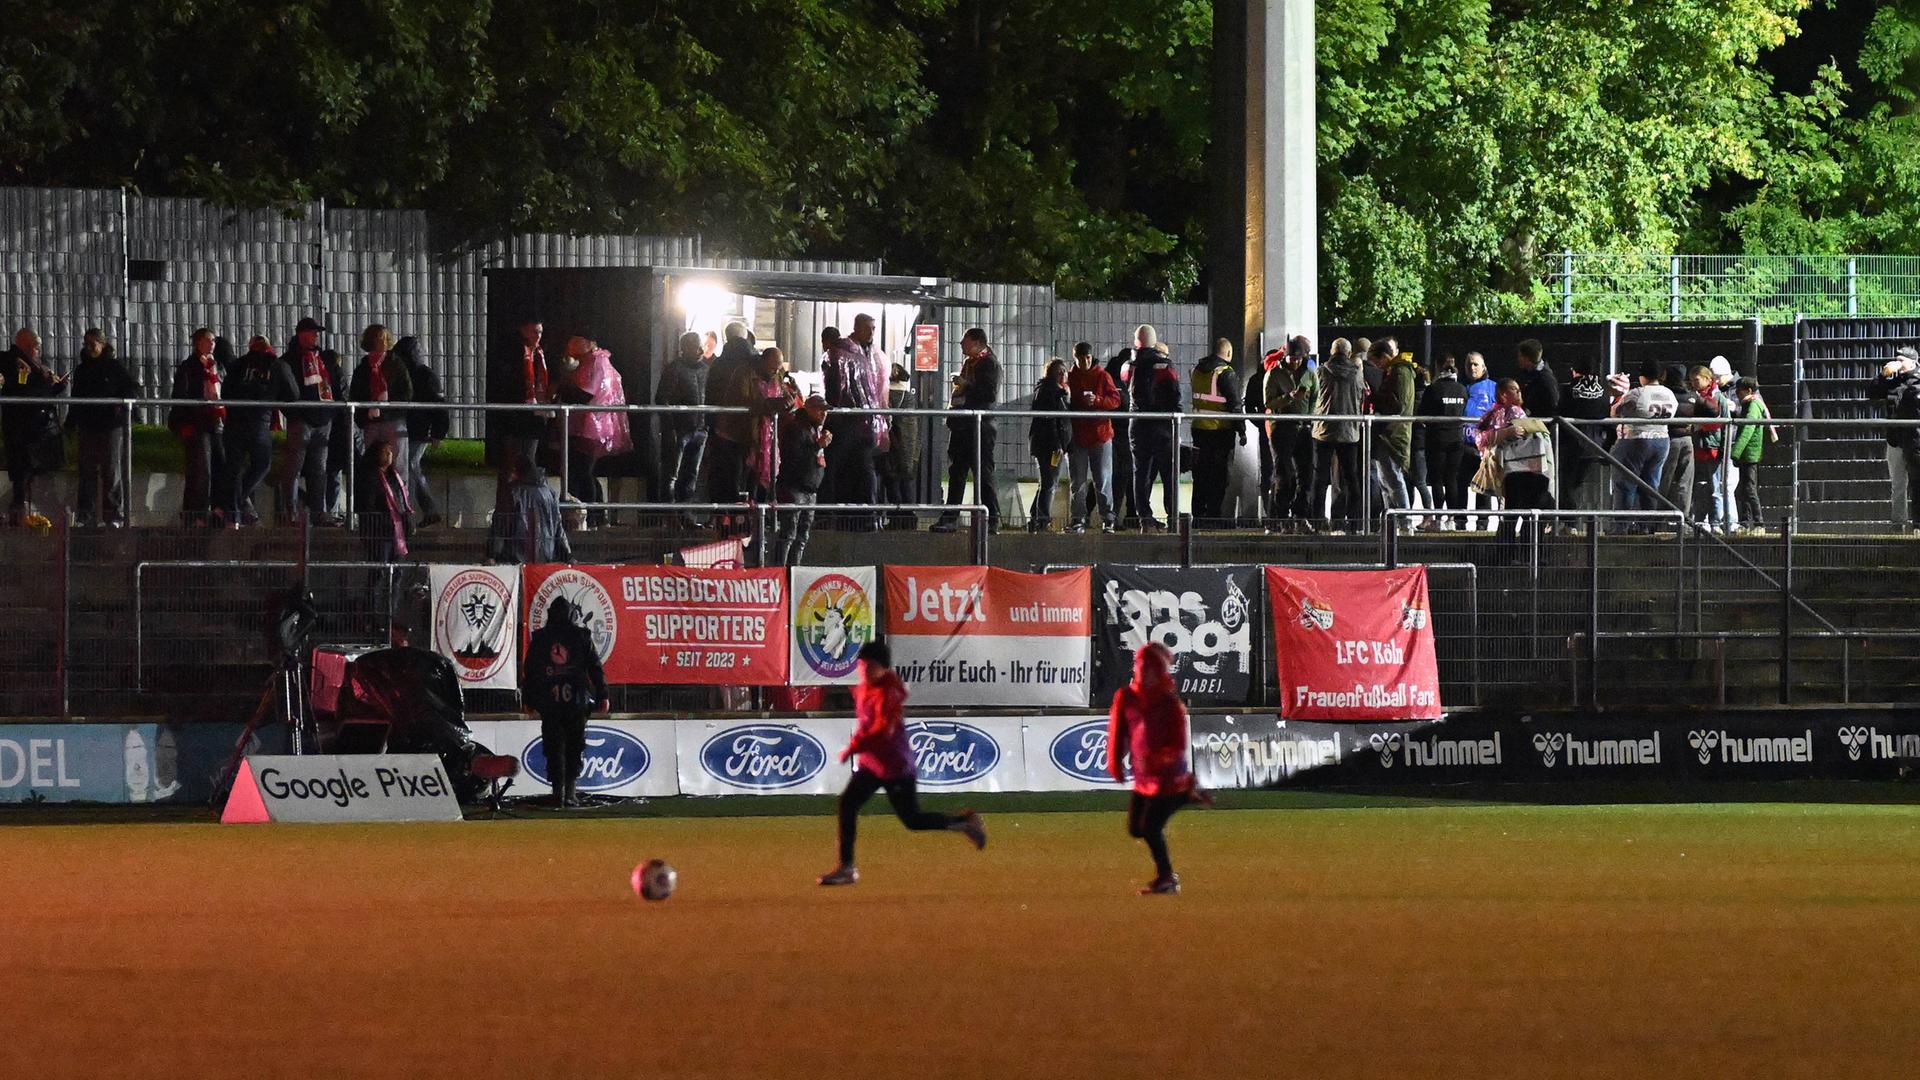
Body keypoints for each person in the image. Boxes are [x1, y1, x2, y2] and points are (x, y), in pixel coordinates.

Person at [818, 641, 986, 886]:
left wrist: (853, 748)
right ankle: (846, 868)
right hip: (872, 764)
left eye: (870, 666)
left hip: (895, 767)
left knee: (912, 820)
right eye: (862, 665)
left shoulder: (888, 692)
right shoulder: (865, 688)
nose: (864, 671)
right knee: (847, 805)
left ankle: (964, 823)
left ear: (883, 668)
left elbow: (882, 731)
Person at [1108, 642, 1201, 895]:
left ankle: (1166, 878)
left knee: (1150, 828)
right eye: (1141, 667)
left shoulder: (1170, 703)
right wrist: (1114, 760)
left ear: (1159, 670)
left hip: (1170, 780)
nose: (1144, 672)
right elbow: (1118, 731)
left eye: (1150, 668)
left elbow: (1178, 745)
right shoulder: (1126, 697)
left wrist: (1159, 759)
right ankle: (1189, 796)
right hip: (1144, 780)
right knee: (1136, 829)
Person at [521, 595, 608, 808]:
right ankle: (569, 792)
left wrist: (528, 698)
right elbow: (595, 668)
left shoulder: (541, 638)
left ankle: (558, 792)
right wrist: (602, 695)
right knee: (573, 746)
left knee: (554, 746)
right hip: (575, 703)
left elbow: (529, 671)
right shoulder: (581, 636)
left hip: (550, 703)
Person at [223, 334, 297, 527]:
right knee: (262, 464)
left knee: (234, 469)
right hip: (259, 420)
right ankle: (239, 501)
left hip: (234, 421)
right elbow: (293, 393)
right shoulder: (277, 365)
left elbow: (226, 392)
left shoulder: (239, 365)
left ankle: (233, 515)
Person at [66, 328, 137, 528]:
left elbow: (131, 388)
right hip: (88, 424)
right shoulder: (82, 370)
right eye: (86, 344)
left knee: (111, 469)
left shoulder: (114, 368)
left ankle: (113, 514)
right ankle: (85, 514)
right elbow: (77, 398)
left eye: (93, 343)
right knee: (87, 470)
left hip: (110, 425)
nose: (89, 347)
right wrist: (71, 423)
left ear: (102, 344)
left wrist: (121, 408)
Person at [933, 328, 1002, 533]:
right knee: (957, 472)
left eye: (965, 340)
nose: (961, 344)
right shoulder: (969, 363)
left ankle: (991, 519)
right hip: (963, 425)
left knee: (982, 472)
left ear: (977, 342)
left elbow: (989, 395)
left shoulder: (989, 364)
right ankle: (951, 517)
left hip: (980, 427)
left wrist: (966, 385)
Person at [1477, 379, 1554, 552]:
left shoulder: (1497, 414)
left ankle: (1509, 552)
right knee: (1516, 513)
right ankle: (1516, 552)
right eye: (1515, 390)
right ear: (1504, 394)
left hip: (1518, 469)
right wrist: (1506, 433)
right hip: (1516, 469)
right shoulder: (1500, 413)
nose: (1520, 394)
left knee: (1514, 513)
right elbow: (1482, 438)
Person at [277, 317, 342, 525]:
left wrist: (333, 410)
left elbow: (335, 383)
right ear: (301, 334)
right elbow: (285, 391)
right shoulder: (290, 360)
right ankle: (291, 512)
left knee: (319, 469)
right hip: (302, 419)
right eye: (312, 332)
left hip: (323, 418)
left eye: (317, 333)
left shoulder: (323, 359)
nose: (316, 336)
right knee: (294, 467)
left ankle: (319, 512)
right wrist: (295, 413)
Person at [560, 336, 631, 525]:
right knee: (585, 472)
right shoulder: (596, 361)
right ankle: (597, 516)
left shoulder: (596, 362)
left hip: (592, 426)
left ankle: (590, 518)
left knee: (583, 471)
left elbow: (586, 393)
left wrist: (562, 391)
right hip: (592, 425)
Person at [824, 316, 886, 529]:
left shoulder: (856, 353)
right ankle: (861, 519)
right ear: (857, 328)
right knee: (857, 470)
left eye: (874, 329)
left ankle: (849, 518)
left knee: (852, 469)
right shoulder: (849, 353)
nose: (871, 333)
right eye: (868, 328)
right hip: (855, 423)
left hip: (856, 423)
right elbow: (837, 389)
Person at [2, 328, 67, 526]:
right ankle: (22, 513)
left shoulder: (33, 366)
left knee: (29, 472)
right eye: (36, 347)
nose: (37, 351)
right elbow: (26, 392)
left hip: (35, 428)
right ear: (27, 346)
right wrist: (48, 385)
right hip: (25, 427)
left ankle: (25, 511)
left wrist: (56, 386)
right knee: (24, 470)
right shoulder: (13, 362)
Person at [168, 328, 228, 527]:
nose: (212, 344)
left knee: (220, 465)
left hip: (216, 422)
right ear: (198, 342)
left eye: (213, 341)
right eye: (208, 340)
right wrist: (183, 422)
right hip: (197, 422)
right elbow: (180, 395)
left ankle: (219, 508)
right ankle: (196, 513)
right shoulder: (189, 367)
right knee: (201, 469)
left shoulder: (217, 366)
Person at [1610, 360, 1678, 528]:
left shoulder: (1637, 393)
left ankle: (1621, 527)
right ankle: (1647, 526)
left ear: (1642, 375)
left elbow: (1615, 412)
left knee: (1626, 483)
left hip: (1636, 439)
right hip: (1662, 440)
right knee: (1651, 485)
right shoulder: (1669, 393)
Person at [492, 319, 550, 509]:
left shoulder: (539, 354)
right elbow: (507, 384)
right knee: (511, 465)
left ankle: (523, 507)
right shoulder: (515, 353)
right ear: (523, 330)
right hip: (515, 419)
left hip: (533, 419)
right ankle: (507, 509)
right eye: (534, 331)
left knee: (528, 463)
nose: (537, 336)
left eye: (540, 332)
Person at [1066, 341, 1122, 533]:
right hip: (1084, 434)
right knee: (1079, 481)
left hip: (1098, 434)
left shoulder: (1102, 376)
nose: (1085, 361)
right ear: (1075, 358)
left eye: (1087, 358)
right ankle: (1079, 518)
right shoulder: (1071, 377)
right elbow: (1114, 399)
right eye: (1081, 358)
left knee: (1102, 479)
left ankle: (1107, 518)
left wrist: (1097, 401)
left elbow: (1115, 400)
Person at [1189, 338, 1245, 526]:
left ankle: (1198, 515)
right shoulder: (1226, 373)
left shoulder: (1198, 370)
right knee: (1219, 477)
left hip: (1199, 430)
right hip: (1221, 432)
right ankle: (1213, 516)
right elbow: (1235, 405)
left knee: (1201, 475)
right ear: (1228, 353)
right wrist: (1242, 431)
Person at [394, 336, 449, 528]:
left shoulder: (422, 375)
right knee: (410, 466)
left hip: (418, 429)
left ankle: (422, 510)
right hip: (414, 428)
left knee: (410, 466)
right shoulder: (421, 374)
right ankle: (421, 510)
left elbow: (439, 406)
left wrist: (438, 432)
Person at [1310, 338, 1364, 533]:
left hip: (1323, 431)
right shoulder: (1357, 373)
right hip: (1350, 432)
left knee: (1319, 477)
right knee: (1351, 477)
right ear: (1348, 354)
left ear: (1332, 352)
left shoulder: (1322, 371)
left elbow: (1313, 397)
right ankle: (1355, 523)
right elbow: (1361, 396)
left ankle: (1318, 522)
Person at [1264, 337, 1318, 531]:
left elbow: (1315, 398)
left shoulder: (1310, 374)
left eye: (1299, 358)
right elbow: (1268, 402)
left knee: (1307, 474)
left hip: (1303, 428)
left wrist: (1309, 418)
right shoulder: (1274, 374)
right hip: (1282, 427)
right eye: (1292, 358)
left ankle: (1300, 514)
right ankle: (1280, 515)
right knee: (1284, 474)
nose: (1296, 361)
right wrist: (1289, 398)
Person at [1105, 326, 1157, 527]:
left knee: (1115, 476)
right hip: (1122, 434)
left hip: (1114, 433)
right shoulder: (1124, 381)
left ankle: (1120, 516)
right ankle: (1120, 517)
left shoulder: (1111, 377)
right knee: (1124, 475)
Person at [1129, 340, 1182, 531]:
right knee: (1169, 474)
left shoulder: (1131, 365)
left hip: (1138, 425)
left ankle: (1145, 519)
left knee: (1141, 473)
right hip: (1162, 427)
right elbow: (1175, 396)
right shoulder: (1165, 367)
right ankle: (1173, 518)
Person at [772, 394, 830, 565]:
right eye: (820, 410)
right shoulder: (796, 428)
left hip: (810, 490)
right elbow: (793, 458)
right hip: (794, 488)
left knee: (802, 536)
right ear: (809, 409)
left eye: (826, 411)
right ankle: (781, 572)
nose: (824, 415)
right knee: (788, 535)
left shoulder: (815, 430)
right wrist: (817, 445)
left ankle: (793, 573)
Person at [657, 331, 709, 512]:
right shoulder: (674, 369)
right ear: (685, 348)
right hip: (680, 429)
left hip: (699, 428)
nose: (701, 349)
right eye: (696, 346)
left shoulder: (704, 368)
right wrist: (670, 428)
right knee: (672, 474)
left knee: (690, 475)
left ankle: (684, 513)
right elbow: (662, 399)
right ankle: (670, 515)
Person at [349, 324, 413, 468]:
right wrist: (363, 416)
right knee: (371, 461)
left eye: (385, 339)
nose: (383, 342)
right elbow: (356, 393)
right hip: (371, 422)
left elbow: (406, 392)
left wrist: (389, 409)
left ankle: (399, 489)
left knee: (398, 463)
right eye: (379, 338)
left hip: (393, 420)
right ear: (371, 341)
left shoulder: (397, 364)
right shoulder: (363, 368)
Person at [487, 455, 572, 564]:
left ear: (517, 471)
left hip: (515, 558)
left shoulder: (512, 493)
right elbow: (558, 528)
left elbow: (500, 526)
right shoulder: (549, 493)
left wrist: (492, 554)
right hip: (544, 557)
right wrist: (567, 555)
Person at [1870, 347, 1919, 531]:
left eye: (1902, 359)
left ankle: (1917, 525)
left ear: (1912, 362)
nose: (1897, 362)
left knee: (1917, 483)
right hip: (1895, 440)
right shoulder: (1892, 382)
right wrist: (1883, 375)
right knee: (1898, 484)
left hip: (1915, 441)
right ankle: (1898, 524)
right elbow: (1872, 393)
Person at [1559, 357, 1613, 517]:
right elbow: (1606, 415)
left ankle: (1569, 522)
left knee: (1567, 484)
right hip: (1596, 445)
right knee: (1579, 484)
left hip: (1572, 443)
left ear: (1574, 371)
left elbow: (1560, 413)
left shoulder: (1569, 390)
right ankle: (1581, 522)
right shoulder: (1603, 389)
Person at [1369, 339, 1417, 519]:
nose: (1376, 366)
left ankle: (1404, 521)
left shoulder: (1400, 372)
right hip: (1389, 433)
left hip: (1393, 434)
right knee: (1385, 481)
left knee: (1393, 480)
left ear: (1384, 356)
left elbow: (1399, 405)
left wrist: (1376, 397)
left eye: (1376, 361)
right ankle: (1392, 522)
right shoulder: (1397, 371)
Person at [1417, 354, 1466, 529]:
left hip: (1436, 439)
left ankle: (1438, 519)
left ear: (1438, 368)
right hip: (1457, 439)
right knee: (1452, 479)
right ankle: (1451, 519)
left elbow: (1422, 414)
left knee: (1437, 480)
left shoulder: (1434, 389)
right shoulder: (1461, 389)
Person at [1454, 352, 1499, 530]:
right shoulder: (1461, 387)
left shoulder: (1493, 388)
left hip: (1484, 446)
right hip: (1463, 444)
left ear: (1484, 367)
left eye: (1475, 364)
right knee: (1460, 485)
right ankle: (1460, 522)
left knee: (1484, 487)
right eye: (1469, 365)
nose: (1472, 368)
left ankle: (1482, 524)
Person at [1028, 358, 1073, 532]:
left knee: (1047, 482)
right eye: (1059, 371)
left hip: (1051, 444)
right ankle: (1043, 520)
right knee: (1050, 482)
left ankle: (1036, 517)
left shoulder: (1057, 391)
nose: (1063, 374)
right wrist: (1058, 444)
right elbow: (1051, 420)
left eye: (1064, 371)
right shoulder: (1050, 391)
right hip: (1049, 446)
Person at [1689, 365, 1732, 532]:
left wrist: (1723, 449)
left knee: (1715, 487)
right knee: (1699, 486)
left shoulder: (1718, 398)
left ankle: (1716, 522)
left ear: (1708, 379)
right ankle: (1699, 521)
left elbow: (1726, 424)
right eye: (1691, 381)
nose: (1694, 383)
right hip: (1697, 446)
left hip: (1712, 447)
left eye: (1697, 380)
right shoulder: (1693, 398)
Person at [879, 363, 922, 530]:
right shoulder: (909, 396)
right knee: (907, 481)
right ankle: (909, 518)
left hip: (894, 444)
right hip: (909, 447)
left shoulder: (890, 394)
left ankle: (897, 519)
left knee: (892, 480)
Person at [355, 441, 412, 562]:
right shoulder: (369, 477)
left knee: (398, 566)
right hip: (378, 531)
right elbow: (367, 504)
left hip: (397, 530)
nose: (389, 454)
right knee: (379, 566)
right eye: (385, 452)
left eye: (390, 452)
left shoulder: (394, 476)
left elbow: (401, 500)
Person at [1660, 363, 1702, 527]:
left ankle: (1658, 517)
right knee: (1686, 480)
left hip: (1668, 438)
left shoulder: (1665, 394)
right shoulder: (1691, 396)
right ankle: (1683, 518)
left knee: (1665, 480)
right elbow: (1712, 410)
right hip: (1687, 439)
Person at [1729, 378, 1769, 534]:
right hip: (1747, 453)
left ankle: (1759, 524)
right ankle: (1744, 523)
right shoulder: (1751, 404)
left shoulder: (1753, 406)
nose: (1737, 393)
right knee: (1742, 490)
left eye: (1739, 390)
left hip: (1749, 454)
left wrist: (1736, 452)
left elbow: (1748, 429)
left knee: (1749, 489)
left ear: (1749, 390)